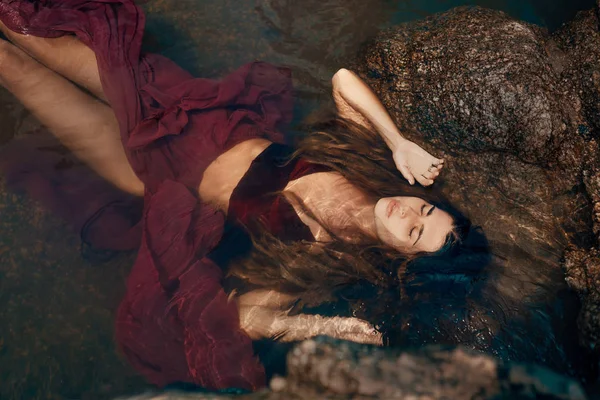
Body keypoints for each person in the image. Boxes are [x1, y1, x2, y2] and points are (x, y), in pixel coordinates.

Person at [0, 0, 471, 391]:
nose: (408, 211)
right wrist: (398, 143)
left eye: (412, 231)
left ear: (398, 259)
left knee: (14, 70)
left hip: (157, 172)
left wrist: (317, 327)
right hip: (192, 113)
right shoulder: (369, 169)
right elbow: (343, 81)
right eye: (426, 208)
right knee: (28, 29)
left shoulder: (319, 257)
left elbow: (242, 318)